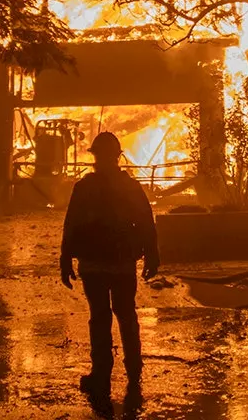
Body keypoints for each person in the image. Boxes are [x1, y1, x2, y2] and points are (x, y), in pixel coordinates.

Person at [59, 131, 159, 399]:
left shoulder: (83, 188)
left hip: (93, 264)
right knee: (126, 315)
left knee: (100, 318)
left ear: (95, 157)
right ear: (118, 157)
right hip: (122, 263)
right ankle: (134, 371)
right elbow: (147, 223)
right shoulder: (130, 187)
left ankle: (101, 373)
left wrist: (65, 259)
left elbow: (71, 226)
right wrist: (152, 254)